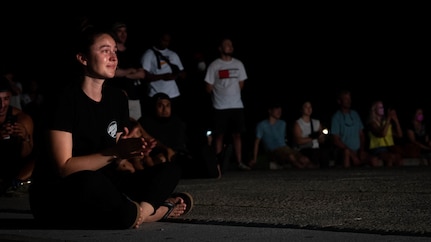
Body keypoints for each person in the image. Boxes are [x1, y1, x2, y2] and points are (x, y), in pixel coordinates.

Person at [28, 26, 193, 230]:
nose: (113, 57)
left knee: (170, 169)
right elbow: (64, 168)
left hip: (105, 183)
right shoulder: (64, 100)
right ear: (83, 58)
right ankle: (155, 211)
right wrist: (115, 152)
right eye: (105, 50)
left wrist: (130, 149)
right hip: (63, 192)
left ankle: (137, 212)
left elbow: (115, 155)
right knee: (91, 181)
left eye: (115, 50)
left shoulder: (117, 98)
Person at [138, 92, 220, 179]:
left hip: (178, 155)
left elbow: (186, 141)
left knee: (200, 157)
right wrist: (165, 150)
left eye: (167, 105)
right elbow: (148, 141)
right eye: (160, 105)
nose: (164, 109)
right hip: (158, 155)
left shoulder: (177, 122)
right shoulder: (145, 123)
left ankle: (216, 165)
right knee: (161, 160)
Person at [204, 37, 250, 172]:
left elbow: (241, 84)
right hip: (220, 106)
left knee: (237, 134)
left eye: (231, 44)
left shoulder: (239, 64)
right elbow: (208, 87)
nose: (230, 46)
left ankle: (239, 162)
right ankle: (218, 164)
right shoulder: (214, 65)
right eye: (226, 45)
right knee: (219, 135)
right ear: (220, 48)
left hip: (236, 105)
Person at [249, 101, 317, 169]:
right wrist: (254, 159)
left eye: (280, 110)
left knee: (304, 159)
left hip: (285, 148)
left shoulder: (282, 123)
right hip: (273, 150)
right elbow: (257, 142)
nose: (279, 112)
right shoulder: (262, 125)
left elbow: (284, 140)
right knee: (291, 157)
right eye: (276, 109)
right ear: (270, 111)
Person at [0, 76, 34, 196]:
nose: (2, 105)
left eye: (6, 99)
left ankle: (15, 185)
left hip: (14, 169)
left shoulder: (22, 118)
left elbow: (27, 155)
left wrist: (24, 138)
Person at [106, 21, 146, 120]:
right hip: (115, 97)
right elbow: (113, 73)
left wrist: (123, 73)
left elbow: (142, 74)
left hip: (133, 97)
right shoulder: (111, 52)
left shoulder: (132, 52)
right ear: (113, 33)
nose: (123, 34)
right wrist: (131, 70)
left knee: (134, 126)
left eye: (125, 31)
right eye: (120, 31)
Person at [140, 30, 186, 117]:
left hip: (173, 94)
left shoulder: (173, 54)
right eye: (164, 40)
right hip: (156, 94)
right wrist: (163, 76)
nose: (166, 43)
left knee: (173, 119)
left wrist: (176, 75)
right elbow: (144, 76)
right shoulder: (149, 54)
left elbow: (182, 73)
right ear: (158, 39)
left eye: (168, 41)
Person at [330, 89, 379, 168]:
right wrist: (351, 152)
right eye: (346, 99)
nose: (348, 101)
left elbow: (361, 135)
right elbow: (336, 140)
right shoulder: (336, 117)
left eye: (349, 99)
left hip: (357, 151)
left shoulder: (355, 114)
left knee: (374, 160)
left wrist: (361, 150)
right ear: (339, 101)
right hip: (344, 152)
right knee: (346, 153)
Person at [292, 100, 331, 168]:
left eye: (310, 107)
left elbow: (321, 140)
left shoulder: (316, 122)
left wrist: (322, 137)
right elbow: (298, 140)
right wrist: (312, 138)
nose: (308, 109)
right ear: (302, 109)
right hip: (304, 149)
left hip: (316, 148)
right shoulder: (298, 123)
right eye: (306, 107)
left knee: (324, 153)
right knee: (314, 154)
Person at [366, 100, 404, 167]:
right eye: (380, 107)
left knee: (398, 157)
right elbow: (382, 134)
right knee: (390, 158)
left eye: (383, 107)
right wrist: (388, 119)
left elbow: (400, 135)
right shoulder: (372, 123)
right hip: (377, 149)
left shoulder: (385, 122)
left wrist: (396, 120)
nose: (382, 109)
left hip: (389, 148)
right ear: (374, 110)